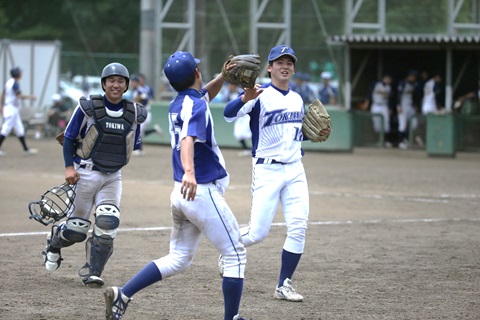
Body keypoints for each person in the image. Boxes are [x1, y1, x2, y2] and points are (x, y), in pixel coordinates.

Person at [103, 51, 250, 320]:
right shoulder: (194, 106)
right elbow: (188, 139)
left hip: (181, 195)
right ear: (196, 73)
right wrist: (190, 172)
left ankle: (122, 295)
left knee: (179, 258)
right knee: (235, 254)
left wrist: (222, 76)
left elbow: (203, 95)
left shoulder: (181, 102)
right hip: (199, 191)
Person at [222, 45, 330, 302]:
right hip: (267, 169)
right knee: (258, 233)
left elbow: (295, 133)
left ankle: (284, 285)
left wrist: (313, 134)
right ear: (269, 68)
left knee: (298, 228)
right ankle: (228, 249)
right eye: (279, 62)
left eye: (289, 62)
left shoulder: (297, 98)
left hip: (295, 170)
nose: (285, 66)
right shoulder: (258, 94)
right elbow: (227, 115)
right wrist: (245, 98)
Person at [42, 62, 146, 287]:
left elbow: (133, 145)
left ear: (126, 85)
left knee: (108, 223)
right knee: (76, 230)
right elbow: (68, 138)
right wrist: (69, 167)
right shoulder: (87, 107)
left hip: (112, 176)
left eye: (121, 81)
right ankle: (54, 242)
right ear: (103, 84)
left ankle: (93, 272)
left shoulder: (134, 113)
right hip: (85, 173)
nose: (116, 85)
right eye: (111, 81)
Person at [0, 66, 37, 156]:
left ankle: (26, 149)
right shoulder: (14, 83)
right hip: (11, 109)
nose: (21, 73)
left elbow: (3, 95)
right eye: (20, 72)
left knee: (20, 129)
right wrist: (30, 97)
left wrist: (1, 106)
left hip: (12, 109)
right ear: (17, 74)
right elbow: (19, 96)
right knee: (6, 129)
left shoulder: (9, 82)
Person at [130, 74, 163, 156]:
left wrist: (137, 100)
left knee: (138, 131)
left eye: (133, 82)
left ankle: (138, 149)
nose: (131, 83)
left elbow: (145, 100)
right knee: (140, 132)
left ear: (137, 82)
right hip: (141, 113)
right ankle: (140, 149)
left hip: (145, 113)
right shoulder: (135, 91)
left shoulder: (140, 90)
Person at [364, 74, 394, 147]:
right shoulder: (376, 84)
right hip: (376, 105)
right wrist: (366, 103)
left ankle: (385, 141)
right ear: (385, 78)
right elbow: (369, 94)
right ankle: (377, 141)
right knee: (376, 123)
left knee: (386, 123)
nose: (389, 81)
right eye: (388, 79)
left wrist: (390, 108)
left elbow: (391, 99)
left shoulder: (389, 87)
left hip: (384, 106)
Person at [222, 83, 251, 157]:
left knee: (248, 133)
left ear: (234, 85)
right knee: (237, 134)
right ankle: (246, 150)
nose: (229, 87)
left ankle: (254, 149)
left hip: (246, 115)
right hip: (238, 117)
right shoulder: (229, 94)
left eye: (230, 85)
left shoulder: (241, 92)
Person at [396, 70, 419, 149]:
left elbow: (414, 96)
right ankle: (401, 142)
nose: (413, 78)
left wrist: (415, 105)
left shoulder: (414, 84)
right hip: (403, 106)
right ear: (409, 76)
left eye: (414, 76)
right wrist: (399, 106)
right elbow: (398, 95)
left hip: (410, 106)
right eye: (412, 76)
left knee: (415, 123)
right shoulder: (402, 83)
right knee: (402, 124)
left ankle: (407, 139)